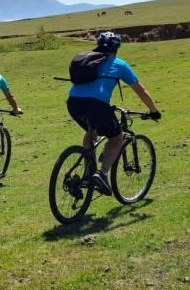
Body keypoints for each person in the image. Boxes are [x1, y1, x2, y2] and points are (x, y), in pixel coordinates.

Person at [66, 31, 161, 195]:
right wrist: (154, 111)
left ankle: (88, 170)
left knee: (91, 130)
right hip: (96, 105)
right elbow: (141, 90)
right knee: (116, 137)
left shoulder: (87, 60)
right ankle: (101, 174)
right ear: (117, 48)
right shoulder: (120, 64)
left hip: (73, 103)